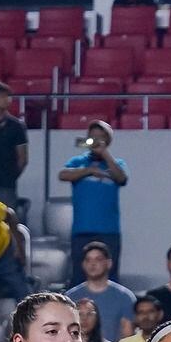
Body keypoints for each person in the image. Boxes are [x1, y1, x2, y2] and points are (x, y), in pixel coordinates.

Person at [57, 120, 129, 281]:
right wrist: (89, 170)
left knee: (110, 276)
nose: (95, 141)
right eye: (92, 137)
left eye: (99, 138)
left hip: (109, 231)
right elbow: (63, 175)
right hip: (82, 230)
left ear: (107, 141)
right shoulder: (78, 162)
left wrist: (105, 154)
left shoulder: (117, 164)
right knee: (79, 277)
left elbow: (122, 178)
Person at [66, 239, 137, 342]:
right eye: (88, 260)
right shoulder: (70, 297)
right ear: (83, 264)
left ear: (109, 263)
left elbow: (127, 336)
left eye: (98, 259)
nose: (92, 264)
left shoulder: (124, 297)